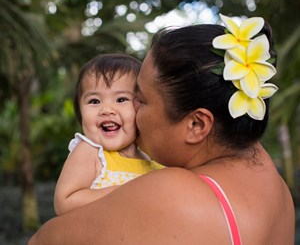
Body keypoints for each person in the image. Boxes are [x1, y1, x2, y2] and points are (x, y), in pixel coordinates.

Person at [29, 14, 295, 244]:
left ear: (196, 124)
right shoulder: (278, 191)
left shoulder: (172, 193)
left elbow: (41, 240)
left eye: (141, 100)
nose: (130, 109)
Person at [54, 53, 164, 215]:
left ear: (142, 107)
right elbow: (65, 202)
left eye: (121, 99)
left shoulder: (155, 159)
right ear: (80, 112)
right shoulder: (91, 152)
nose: (106, 110)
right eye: (94, 101)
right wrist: (129, 192)